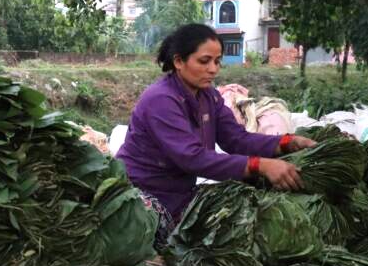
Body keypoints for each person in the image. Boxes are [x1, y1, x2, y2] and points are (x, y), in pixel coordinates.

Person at [116, 24, 316, 248]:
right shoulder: (160, 100)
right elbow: (192, 158)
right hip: (142, 194)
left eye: (217, 61)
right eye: (204, 61)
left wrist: (287, 142)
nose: (213, 69)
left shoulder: (209, 97)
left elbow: (237, 140)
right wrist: (260, 165)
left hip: (180, 196)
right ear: (179, 61)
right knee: (150, 234)